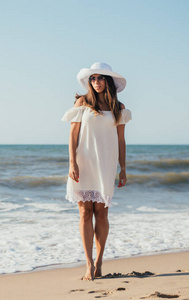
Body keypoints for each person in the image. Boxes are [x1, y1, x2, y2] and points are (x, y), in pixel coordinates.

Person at [62, 62, 132, 280]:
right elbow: (73, 136)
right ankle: (88, 264)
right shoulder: (82, 102)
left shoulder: (118, 108)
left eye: (101, 78)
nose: (96, 82)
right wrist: (72, 163)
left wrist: (123, 168)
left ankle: (100, 262)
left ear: (108, 81)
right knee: (85, 212)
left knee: (101, 213)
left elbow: (121, 140)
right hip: (84, 161)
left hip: (105, 163)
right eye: (93, 78)